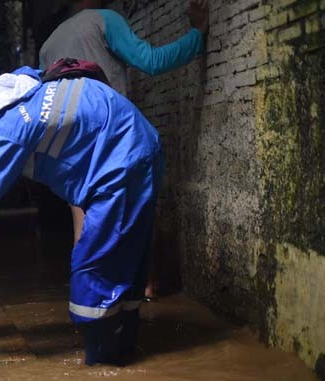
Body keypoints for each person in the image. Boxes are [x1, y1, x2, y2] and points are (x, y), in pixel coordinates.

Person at [0, 56, 163, 366]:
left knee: (92, 275)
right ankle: (126, 356)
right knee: (124, 266)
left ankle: (103, 373)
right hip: (134, 147)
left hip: (119, 164)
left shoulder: (5, 128)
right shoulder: (16, 87)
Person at [40, 0, 208, 298]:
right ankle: (146, 285)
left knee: (83, 222)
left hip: (70, 144)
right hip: (112, 135)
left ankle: (87, 298)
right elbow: (152, 61)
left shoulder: (48, 44)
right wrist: (197, 33)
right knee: (140, 207)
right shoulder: (104, 20)